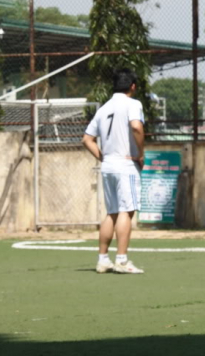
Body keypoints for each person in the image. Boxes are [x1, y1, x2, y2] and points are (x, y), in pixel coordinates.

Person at [82, 68, 146, 274]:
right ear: (133, 86)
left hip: (108, 165)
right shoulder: (133, 104)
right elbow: (136, 127)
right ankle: (122, 260)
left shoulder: (103, 108)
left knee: (112, 212)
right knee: (127, 211)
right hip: (125, 164)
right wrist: (141, 153)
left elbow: (87, 139)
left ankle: (103, 260)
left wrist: (103, 157)